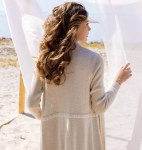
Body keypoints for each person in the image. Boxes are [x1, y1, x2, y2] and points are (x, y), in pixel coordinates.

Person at [26, 2, 132, 150]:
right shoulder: (93, 60)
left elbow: (31, 103)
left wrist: (49, 117)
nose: (90, 28)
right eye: (86, 24)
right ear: (74, 27)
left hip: (53, 137)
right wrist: (118, 81)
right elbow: (100, 106)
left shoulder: (45, 59)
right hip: (85, 138)